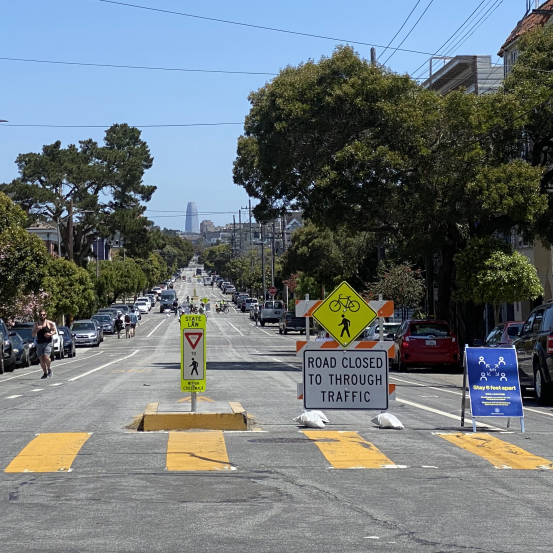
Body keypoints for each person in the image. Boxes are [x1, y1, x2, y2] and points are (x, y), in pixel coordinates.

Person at [32, 310, 56, 379]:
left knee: (46, 357)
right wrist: (36, 329)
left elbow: (54, 331)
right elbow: (33, 335)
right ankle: (45, 373)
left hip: (47, 342)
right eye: (41, 315)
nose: (42, 316)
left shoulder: (49, 323)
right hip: (39, 343)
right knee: (41, 359)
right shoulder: (36, 324)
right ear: (39, 315)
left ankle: (49, 369)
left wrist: (50, 334)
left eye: (43, 315)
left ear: (46, 315)